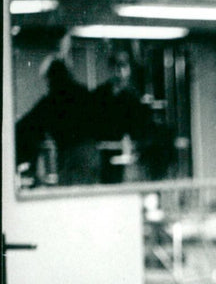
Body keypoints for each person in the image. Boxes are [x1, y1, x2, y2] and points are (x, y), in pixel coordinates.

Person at [14, 56, 99, 185]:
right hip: (91, 154)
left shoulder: (51, 101)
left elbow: (27, 125)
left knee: (70, 197)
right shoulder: (84, 93)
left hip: (70, 156)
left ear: (51, 78)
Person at [90, 48, 154, 183]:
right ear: (111, 69)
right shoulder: (99, 95)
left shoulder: (133, 98)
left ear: (129, 69)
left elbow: (140, 128)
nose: (120, 72)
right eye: (116, 66)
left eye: (124, 66)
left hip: (127, 153)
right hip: (102, 153)